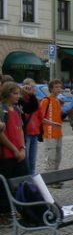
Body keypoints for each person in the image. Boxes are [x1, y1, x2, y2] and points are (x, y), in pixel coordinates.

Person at [0, 82, 28, 219]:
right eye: (15, 93)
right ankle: (6, 212)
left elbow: (20, 129)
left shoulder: (17, 109)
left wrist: (22, 148)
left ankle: (21, 208)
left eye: (18, 93)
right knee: (5, 185)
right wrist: (14, 149)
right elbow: (2, 134)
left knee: (21, 181)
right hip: (7, 154)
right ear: (7, 94)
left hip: (19, 152)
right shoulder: (2, 110)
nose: (18, 96)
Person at [39, 79, 65, 178]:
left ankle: (55, 177)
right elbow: (40, 118)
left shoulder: (58, 101)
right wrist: (53, 123)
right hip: (49, 134)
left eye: (60, 87)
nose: (59, 89)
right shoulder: (46, 100)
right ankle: (50, 178)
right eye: (56, 87)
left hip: (59, 133)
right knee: (51, 157)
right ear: (51, 89)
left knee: (58, 157)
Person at [20, 78, 41, 174]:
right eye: (31, 87)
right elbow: (27, 109)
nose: (33, 89)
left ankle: (32, 181)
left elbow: (36, 110)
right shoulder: (20, 100)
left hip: (35, 132)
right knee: (26, 160)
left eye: (34, 87)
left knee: (32, 160)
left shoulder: (34, 100)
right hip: (26, 133)